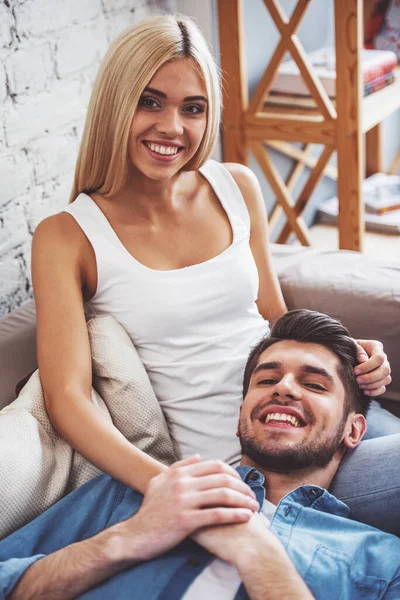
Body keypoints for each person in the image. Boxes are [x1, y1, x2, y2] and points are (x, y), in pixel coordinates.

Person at [30, 14, 398, 527]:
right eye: (150, 101)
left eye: (193, 108)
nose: (172, 127)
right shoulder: (67, 236)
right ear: (116, 102)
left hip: (320, 417)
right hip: (253, 466)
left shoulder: (236, 186)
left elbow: (274, 317)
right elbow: (66, 398)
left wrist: (346, 355)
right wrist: (163, 483)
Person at [2, 310, 400, 600]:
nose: (285, 388)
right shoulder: (133, 493)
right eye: (266, 379)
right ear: (242, 415)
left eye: (314, 384)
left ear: (353, 431)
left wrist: (258, 553)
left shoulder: (381, 563)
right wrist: (127, 539)